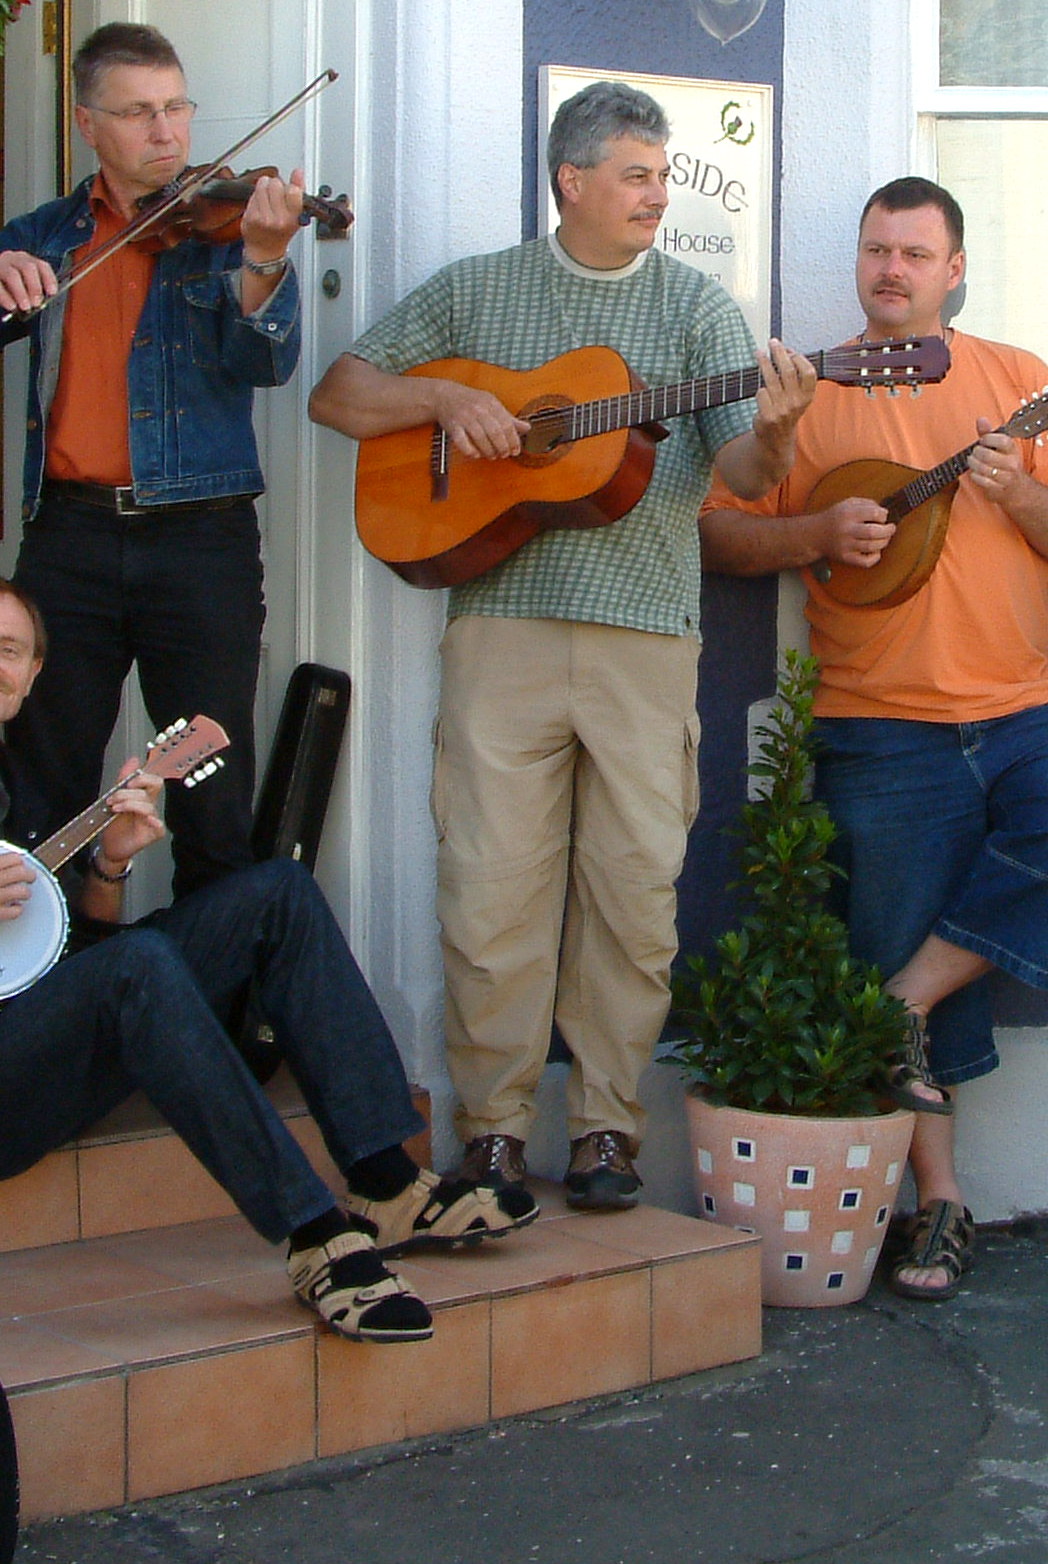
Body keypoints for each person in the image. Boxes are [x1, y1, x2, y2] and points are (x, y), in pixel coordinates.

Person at [0, 571, 534, 1343]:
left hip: (28, 1053)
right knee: (140, 966)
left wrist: (108, 864)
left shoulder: (23, 792)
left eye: (9, 651)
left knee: (276, 892)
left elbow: (70, 951)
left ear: (33, 676)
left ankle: (385, 1181)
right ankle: (315, 1236)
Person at [308, 80, 815, 1209]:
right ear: (570, 181)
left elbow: (740, 477)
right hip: (499, 627)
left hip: (646, 636)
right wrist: (442, 400)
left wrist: (776, 426)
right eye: (635, 173)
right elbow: (341, 397)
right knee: (491, 887)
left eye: (663, 170)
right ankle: (489, 1129)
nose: (657, 192)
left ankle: (604, 1132)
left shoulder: (697, 310)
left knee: (634, 893)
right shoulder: (479, 290)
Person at [700, 176, 1048, 1300]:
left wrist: (1012, 490)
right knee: (900, 924)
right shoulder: (811, 393)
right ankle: (938, 1206)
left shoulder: (1021, 382)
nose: (891, 270)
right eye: (875, 250)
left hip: (1025, 702)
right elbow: (724, 537)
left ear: (955, 269)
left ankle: (907, 996)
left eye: (914, 253)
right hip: (877, 720)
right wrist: (813, 527)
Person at [0, 22, 306, 901]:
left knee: (207, 777)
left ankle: (206, 999)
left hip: (201, 543)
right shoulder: (47, 236)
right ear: (89, 124)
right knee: (44, 774)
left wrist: (266, 260)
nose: (166, 134)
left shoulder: (228, 229)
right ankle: (57, 987)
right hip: (71, 541)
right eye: (139, 114)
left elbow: (265, 364)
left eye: (177, 109)